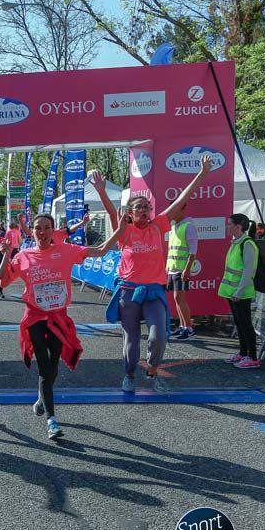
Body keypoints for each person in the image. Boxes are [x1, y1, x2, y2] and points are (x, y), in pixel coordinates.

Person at [0, 214, 128, 439]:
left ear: (53, 230)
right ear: (32, 231)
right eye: (38, 228)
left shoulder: (66, 250)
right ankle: (52, 420)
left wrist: (121, 230)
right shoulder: (25, 255)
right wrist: (7, 255)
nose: (42, 232)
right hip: (35, 318)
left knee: (53, 365)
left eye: (47, 228)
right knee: (45, 367)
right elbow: (4, 282)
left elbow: (101, 251)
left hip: (58, 317)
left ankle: (41, 397)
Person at [91, 156, 212, 393]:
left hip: (154, 290)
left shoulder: (158, 225)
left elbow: (181, 200)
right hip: (129, 292)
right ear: (130, 213)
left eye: (147, 207)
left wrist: (202, 174)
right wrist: (102, 191)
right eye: (140, 208)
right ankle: (129, 374)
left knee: (158, 337)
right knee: (131, 340)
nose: (145, 211)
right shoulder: (124, 230)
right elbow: (109, 210)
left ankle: (152, 369)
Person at [220, 214, 261, 369]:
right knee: (239, 323)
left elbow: (248, 271)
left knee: (246, 324)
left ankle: (253, 357)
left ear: (238, 226)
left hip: (241, 293)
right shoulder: (236, 242)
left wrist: (239, 291)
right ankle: (243, 353)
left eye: (229, 224)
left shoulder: (247, 244)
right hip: (233, 292)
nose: (227, 227)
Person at [166, 207, 199, 341]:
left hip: (181, 269)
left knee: (180, 298)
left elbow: (192, 251)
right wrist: (167, 266)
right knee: (176, 298)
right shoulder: (174, 227)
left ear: (181, 210)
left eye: (174, 210)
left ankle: (189, 328)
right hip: (173, 268)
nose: (171, 213)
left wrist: (187, 269)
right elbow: (172, 249)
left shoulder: (188, 226)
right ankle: (182, 325)